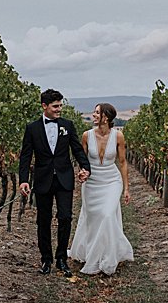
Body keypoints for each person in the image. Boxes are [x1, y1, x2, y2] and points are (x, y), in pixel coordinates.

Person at [19, 89, 90, 278]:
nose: (59, 109)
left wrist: (85, 167)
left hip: (64, 178)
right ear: (44, 106)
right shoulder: (32, 128)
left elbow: (76, 149)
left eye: (60, 106)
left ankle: (61, 259)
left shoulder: (67, 125)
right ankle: (46, 259)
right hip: (43, 180)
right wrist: (23, 180)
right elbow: (25, 156)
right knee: (43, 220)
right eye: (55, 106)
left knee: (65, 217)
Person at [69, 103, 134, 275]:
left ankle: (108, 255)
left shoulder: (118, 136)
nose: (94, 115)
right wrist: (81, 173)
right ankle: (93, 251)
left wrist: (126, 188)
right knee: (93, 217)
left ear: (106, 117)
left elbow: (122, 162)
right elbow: (81, 161)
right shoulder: (86, 136)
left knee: (106, 214)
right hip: (92, 182)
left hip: (112, 181)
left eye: (97, 113)